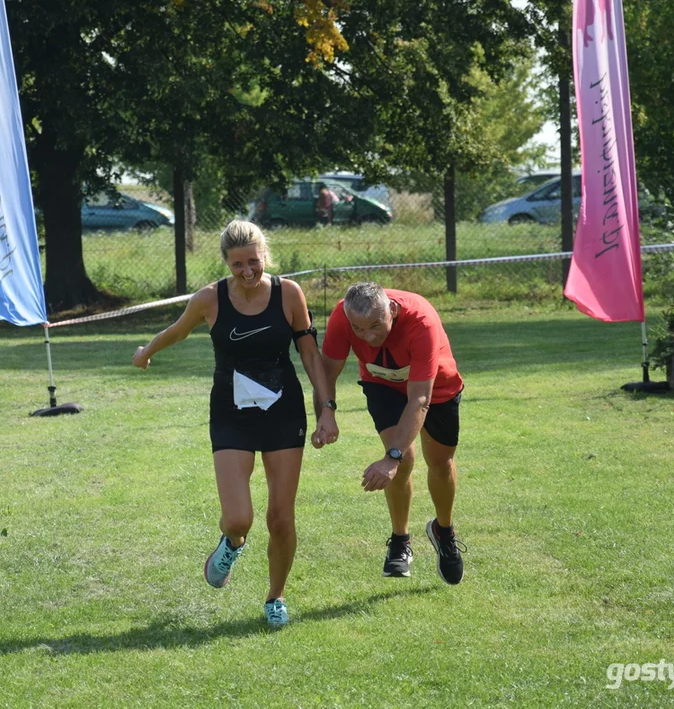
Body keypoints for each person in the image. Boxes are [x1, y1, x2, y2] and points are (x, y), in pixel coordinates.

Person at [132, 220, 339, 627]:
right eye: (237, 264)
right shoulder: (210, 299)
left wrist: (327, 408)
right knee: (239, 517)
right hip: (231, 414)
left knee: (281, 518)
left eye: (254, 262)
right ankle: (231, 543)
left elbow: (311, 357)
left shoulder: (289, 294)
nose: (247, 272)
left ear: (265, 256)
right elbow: (178, 331)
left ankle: (275, 597)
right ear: (226, 263)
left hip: (283, 411)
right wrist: (147, 352)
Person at [313, 281, 466, 584]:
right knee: (403, 461)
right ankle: (400, 541)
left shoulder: (421, 320)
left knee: (439, 463)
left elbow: (420, 398)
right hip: (383, 385)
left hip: (436, 390)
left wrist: (390, 458)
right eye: (358, 329)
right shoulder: (342, 316)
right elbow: (327, 372)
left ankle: (443, 531)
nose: (368, 337)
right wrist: (326, 412)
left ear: (392, 311)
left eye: (375, 326)